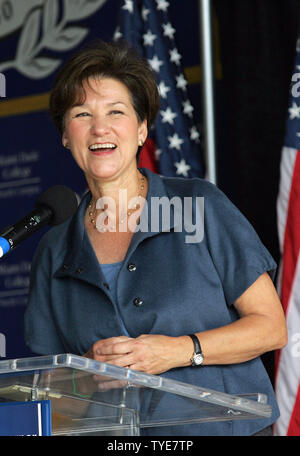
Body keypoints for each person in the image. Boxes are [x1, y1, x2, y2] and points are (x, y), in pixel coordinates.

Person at [24, 40, 287, 436]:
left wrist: (178, 350)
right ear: (65, 134)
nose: (100, 128)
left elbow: (271, 328)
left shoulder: (198, 205)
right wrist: (86, 369)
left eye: (116, 111)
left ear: (142, 127)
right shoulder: (54, 247)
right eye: (82, 114)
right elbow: (46, 388)